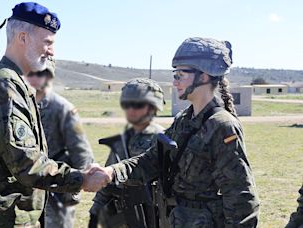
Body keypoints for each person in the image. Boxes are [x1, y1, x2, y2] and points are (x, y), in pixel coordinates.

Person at [0, 2, 110, 228]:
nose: (52, 51)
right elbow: (27, 164)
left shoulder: (15, 83)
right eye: (47, 42)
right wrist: (81, 179)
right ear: (23, 38)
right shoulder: (4, 84)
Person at [88, 37, 260, 227]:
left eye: (180, 74)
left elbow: (240, 196)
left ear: (203, 76)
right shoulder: (185, 119)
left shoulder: (222, 126)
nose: (175, 81)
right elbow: (150, 160)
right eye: (174, 74)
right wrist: (111, 172)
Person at [18, 57, 94, 228]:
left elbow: (81, 152)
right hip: (29, 191)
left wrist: (75, 189)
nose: (35, 78)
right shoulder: (22, 106)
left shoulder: (62, 108)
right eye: (31, 73)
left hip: (57, 189)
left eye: (41, 73)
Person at [88, 78, 165, 228]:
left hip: (155, 215)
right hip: (126, 214)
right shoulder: (125, 139)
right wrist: (95, 210)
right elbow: (108, 180)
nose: (131, 110)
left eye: (137, 105)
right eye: (127, 104)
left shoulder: (163, 139)